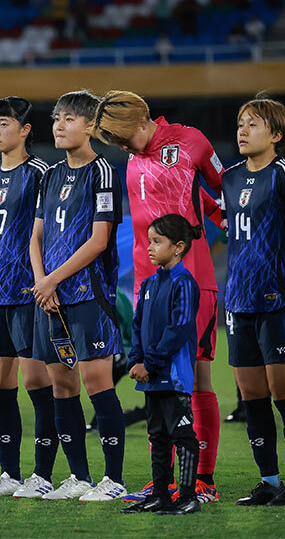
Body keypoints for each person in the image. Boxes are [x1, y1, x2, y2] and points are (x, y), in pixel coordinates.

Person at [91, 90, 223, 504]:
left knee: (193, 378)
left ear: (141, 120)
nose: (122, 147)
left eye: (122, 137)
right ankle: (162, 480)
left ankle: (202, 479)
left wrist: (232, 225)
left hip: (191, 276)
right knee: (155, 382)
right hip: (148, 285)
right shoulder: (133, 156)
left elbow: (227, 191)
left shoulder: (192, 142)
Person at [30, 90, 126, 502]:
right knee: (61, 387)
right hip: (49, 296)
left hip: (90, 295)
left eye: (69, 118)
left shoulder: (103, 171)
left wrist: (53, 280)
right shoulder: (49, 175)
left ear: (90, 125)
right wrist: (42, 281)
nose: (59, 125)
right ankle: (80, 478)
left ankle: (114, 479)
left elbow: (99, 239)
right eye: (56, 118)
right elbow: (35, 235)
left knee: (96, 383)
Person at [222, 97, 285, 506]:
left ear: (276, 135)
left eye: (253, 125)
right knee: (254, 398)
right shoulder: (228, 178)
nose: (243, 131)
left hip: (278, 303)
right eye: (240, 124)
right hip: (238, 304)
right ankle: (270, 481)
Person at [0, 97, 58, 499]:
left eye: (4, 123)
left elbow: (46, 235)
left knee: (38, 383)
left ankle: (42, 475)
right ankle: (9, 474)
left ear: (24, 130)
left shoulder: (42, 173)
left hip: (29, 294)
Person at [122, 214, 203, 516]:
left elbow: (178, 329)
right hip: (152, 375)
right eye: (149, 241)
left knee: (182, 435)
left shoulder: (184, 283)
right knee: (157, 436)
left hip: (173, 375)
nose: (150, 248)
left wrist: (150, 363)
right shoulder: (149, 283)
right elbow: (138, 323)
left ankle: (188, 496)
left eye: (157, 242)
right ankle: (159, 495)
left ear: (179, 247)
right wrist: (136, 359)